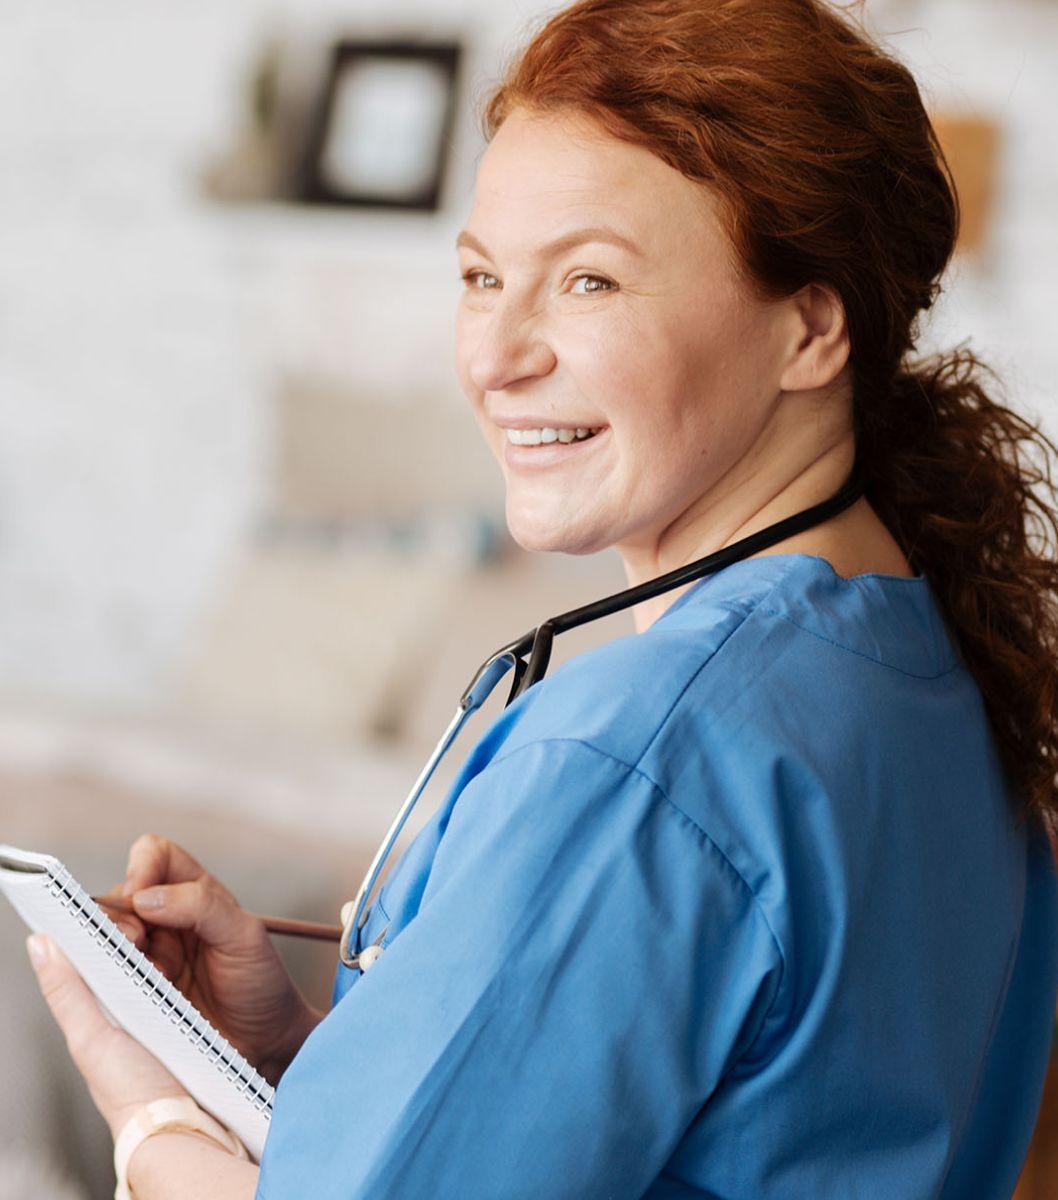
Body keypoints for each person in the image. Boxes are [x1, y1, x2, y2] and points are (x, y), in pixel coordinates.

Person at [26, 0, 1058, 1196]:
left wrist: (148, 1115)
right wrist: (312, 1054)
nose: (495, 353)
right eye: (479, 276)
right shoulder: (933, 675)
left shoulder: (635, 763)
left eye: (587, 281)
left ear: (808, 327)